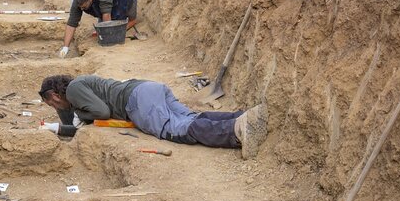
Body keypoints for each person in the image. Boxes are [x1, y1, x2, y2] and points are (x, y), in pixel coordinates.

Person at [39, 74, 268, 158]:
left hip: (137, 101)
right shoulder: (79, 84)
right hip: (148, 89)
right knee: (190, 117)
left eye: (52, 103)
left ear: (54, 95)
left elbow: (102, 112)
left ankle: (236, 131)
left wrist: (77, 114)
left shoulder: (73, 91)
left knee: (177, 130)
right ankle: (243, 117)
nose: (56, 107)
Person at [59, 0, 138, 58]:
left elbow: (106, 15)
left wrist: (109, 37)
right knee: (105, 26)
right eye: (80, 7)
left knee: (118, 19)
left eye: (84, 7)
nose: (82, 9)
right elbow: (71, 23)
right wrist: (65, 47)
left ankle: (130, 23)